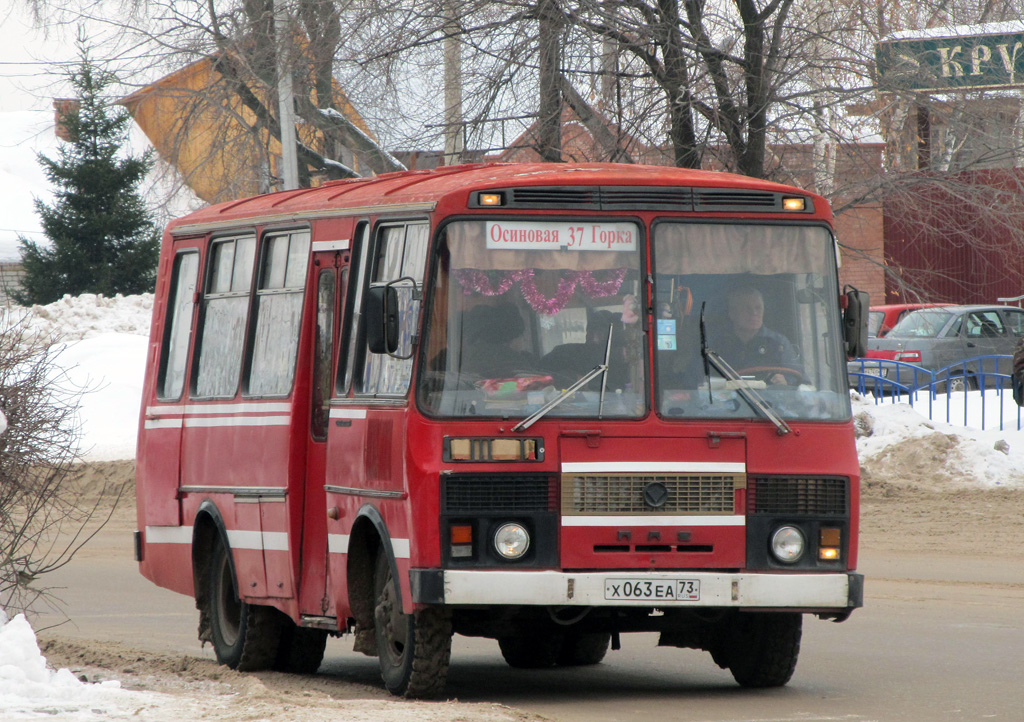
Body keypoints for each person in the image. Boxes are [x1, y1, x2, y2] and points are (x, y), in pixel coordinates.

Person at [713, 286, 802, 385]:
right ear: (732, 313)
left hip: (769, 400)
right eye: (747, 308)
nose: (754, 313)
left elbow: (802, 384)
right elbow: (702, 384)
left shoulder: (779, 343)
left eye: (758, 308)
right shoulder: (717, 346)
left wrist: (785, 383)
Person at [458, 303, 538, 378]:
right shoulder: (513, 360)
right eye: (521, 336)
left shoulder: (467, 356)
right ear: (512, 337)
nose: (525, 341)